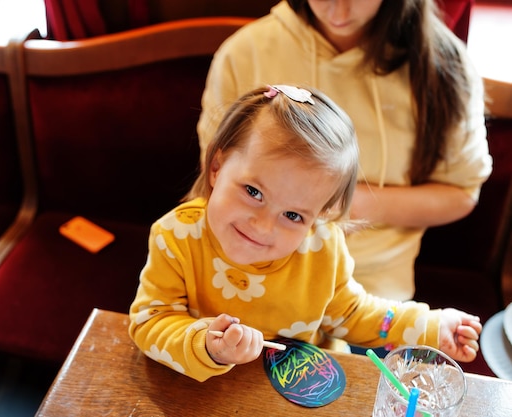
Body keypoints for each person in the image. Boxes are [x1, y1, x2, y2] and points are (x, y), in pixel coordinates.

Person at [128, 85, 481, 382]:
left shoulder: (322, 247)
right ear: (217, 167)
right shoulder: (175, 237)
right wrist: (206, 344)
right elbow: (149, 322)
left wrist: (431, 326)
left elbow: (354, 313)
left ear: (319, 216)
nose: (263, 225)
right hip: (205, 391)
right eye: (253, 192)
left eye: (293, 215)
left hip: (306, 386)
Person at [196, 0, 492, 301]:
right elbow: (215, 176)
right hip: (247, 274)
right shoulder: (246, 51)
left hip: (371, 290)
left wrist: (344, 204)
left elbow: (462, 192)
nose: (338, 12)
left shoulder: (444, 65)